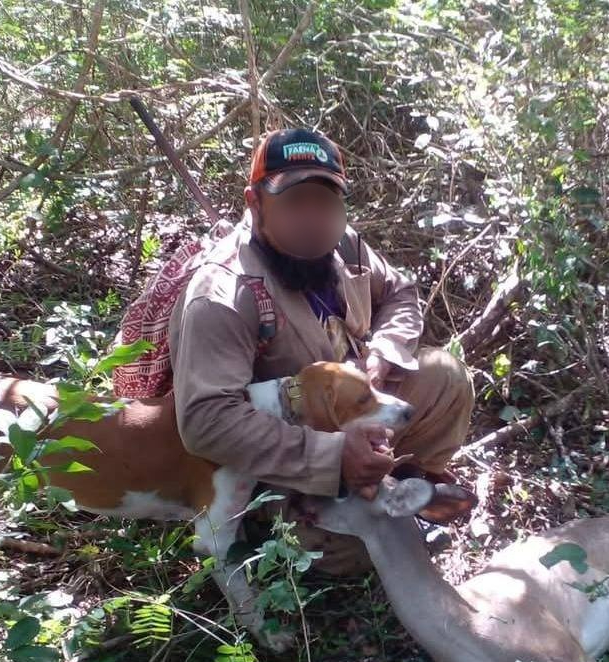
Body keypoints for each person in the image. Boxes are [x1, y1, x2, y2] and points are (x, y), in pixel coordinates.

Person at [167, 128, 474, 573]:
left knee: (444, 376)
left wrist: (384, 352)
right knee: (350, 551)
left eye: (326, 201)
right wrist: (332, 458)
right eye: (294, 202)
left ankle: (403, 482)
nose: (313, 219)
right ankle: (281, 522)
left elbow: (401, 293)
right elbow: (205, 422)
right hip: (278, 464)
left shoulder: (344, 244)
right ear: (255, 204)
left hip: (352, 403)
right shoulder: (223, 296)